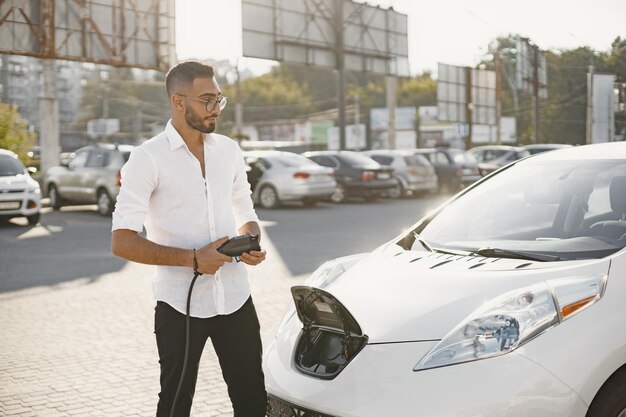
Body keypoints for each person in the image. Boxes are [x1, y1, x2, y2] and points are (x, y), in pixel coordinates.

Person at [111, 60, 267, 417]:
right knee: (175, 406)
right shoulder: (146, 158)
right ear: (178, 101)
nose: (215, 109)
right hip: (180, 307)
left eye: (219, 100)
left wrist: (251, 240)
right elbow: (121, 241)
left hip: (236, 300)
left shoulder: (228, 149)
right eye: (206, 100)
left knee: (253, 402)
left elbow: (245, 210)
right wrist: (194, 259)